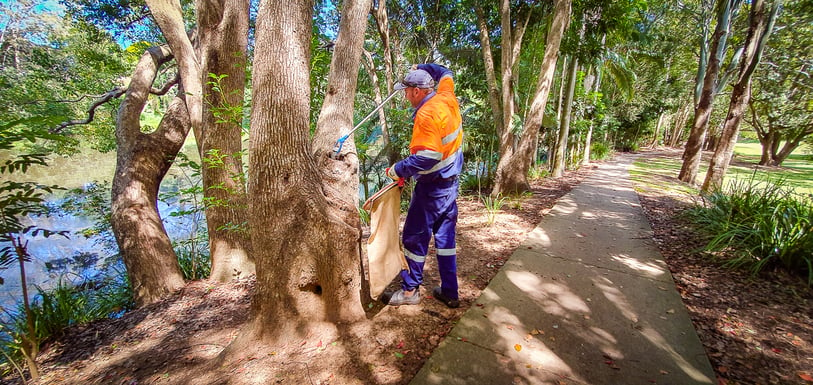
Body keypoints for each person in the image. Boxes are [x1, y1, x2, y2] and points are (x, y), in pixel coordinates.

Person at [385, 63, 463, 308]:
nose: (405, 95)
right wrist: (423, 66)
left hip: (433, 188)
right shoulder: (446, 96)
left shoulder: (427, 113)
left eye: (406, 91)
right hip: (451, 185)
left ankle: (410, 292)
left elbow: (428, 156)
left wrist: (397, 170)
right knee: (445, 240)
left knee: (414, 237)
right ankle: (450, 292)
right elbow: (445, 72)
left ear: (417, 91)